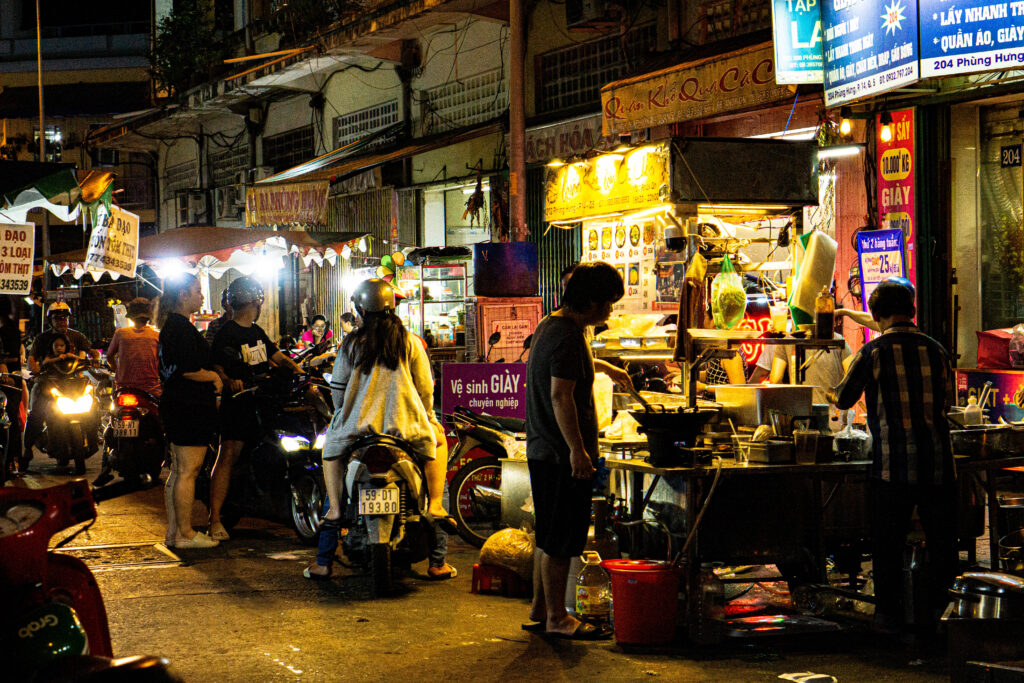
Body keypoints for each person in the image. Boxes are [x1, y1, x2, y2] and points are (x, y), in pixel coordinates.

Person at [828, 278, 956, 637]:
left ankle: (889, 619)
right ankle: (942, 617)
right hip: (938, 465)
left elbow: (842, 399)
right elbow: (946, 403)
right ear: (912, 311)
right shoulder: (937, 350)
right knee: (943, 546)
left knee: (887, 545)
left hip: (891, 467)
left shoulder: (872, 353)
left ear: (877, 314)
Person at [314, 278, 456, 580]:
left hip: (357, 430)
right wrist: (426, 416)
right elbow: (425, 390)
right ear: (394, 307)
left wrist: (344, 414)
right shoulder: (411, 342)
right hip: (406, 428)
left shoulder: (350, 344)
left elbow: (338, 391)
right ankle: (435, 532)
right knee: (438, 442)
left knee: (333, 457)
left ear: (360, 309)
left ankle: (329, 540)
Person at [524, 261, 628, 640]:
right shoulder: (568, 336)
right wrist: (577, 451)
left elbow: (562, 373)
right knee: (563, 539)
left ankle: (540, 609)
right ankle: (557, 618)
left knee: (548, 536)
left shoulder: (554, 326)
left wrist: (603, 368)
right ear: (591, 301)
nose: (610, 311)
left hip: (544, 450)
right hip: (558, 453)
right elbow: (560, 395)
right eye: (608, 304)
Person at [209, 276, 304, 542]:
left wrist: (301, 373)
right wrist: (229, 380)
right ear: (254, 301)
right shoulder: (228, 332)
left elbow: (278, 357)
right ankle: (215, 518)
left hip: (262, 402)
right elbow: (216, 364)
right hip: (238, 404)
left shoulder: (256, 331)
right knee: (229, 453)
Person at [157, 274, 223, 549]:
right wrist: (213, 378)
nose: (202, 296)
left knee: (179, 470)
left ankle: (174, 532)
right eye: (197, 290)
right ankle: (184, 533)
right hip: (188, 407)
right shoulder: (180, 327)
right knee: (187, 471)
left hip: (176, 405)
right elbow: (188, 369)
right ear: (183, 295)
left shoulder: (171, 326)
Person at [94, 298, 162, 487]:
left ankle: (104, 468)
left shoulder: (121, 333)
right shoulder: (156, 336)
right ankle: (172, 454)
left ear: (131, 316)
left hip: (123, 389)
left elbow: (109, 358)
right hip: (151, 390)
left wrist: (118, 372)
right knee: (164, 422)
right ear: (148, 317)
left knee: (112, 423)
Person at [23, 302, 98, 468]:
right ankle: (27, 448)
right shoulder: (42, 338)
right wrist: (34, 368)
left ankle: (94, 437)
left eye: (64, 318)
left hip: (74, 383)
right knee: (36, 413)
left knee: (94, 405)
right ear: (51, 321)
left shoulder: (77, 336)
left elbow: (91, 351)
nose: (62, 322)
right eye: (58, 319)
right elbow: (32, 359)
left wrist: (95, 358)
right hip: (48, 382)